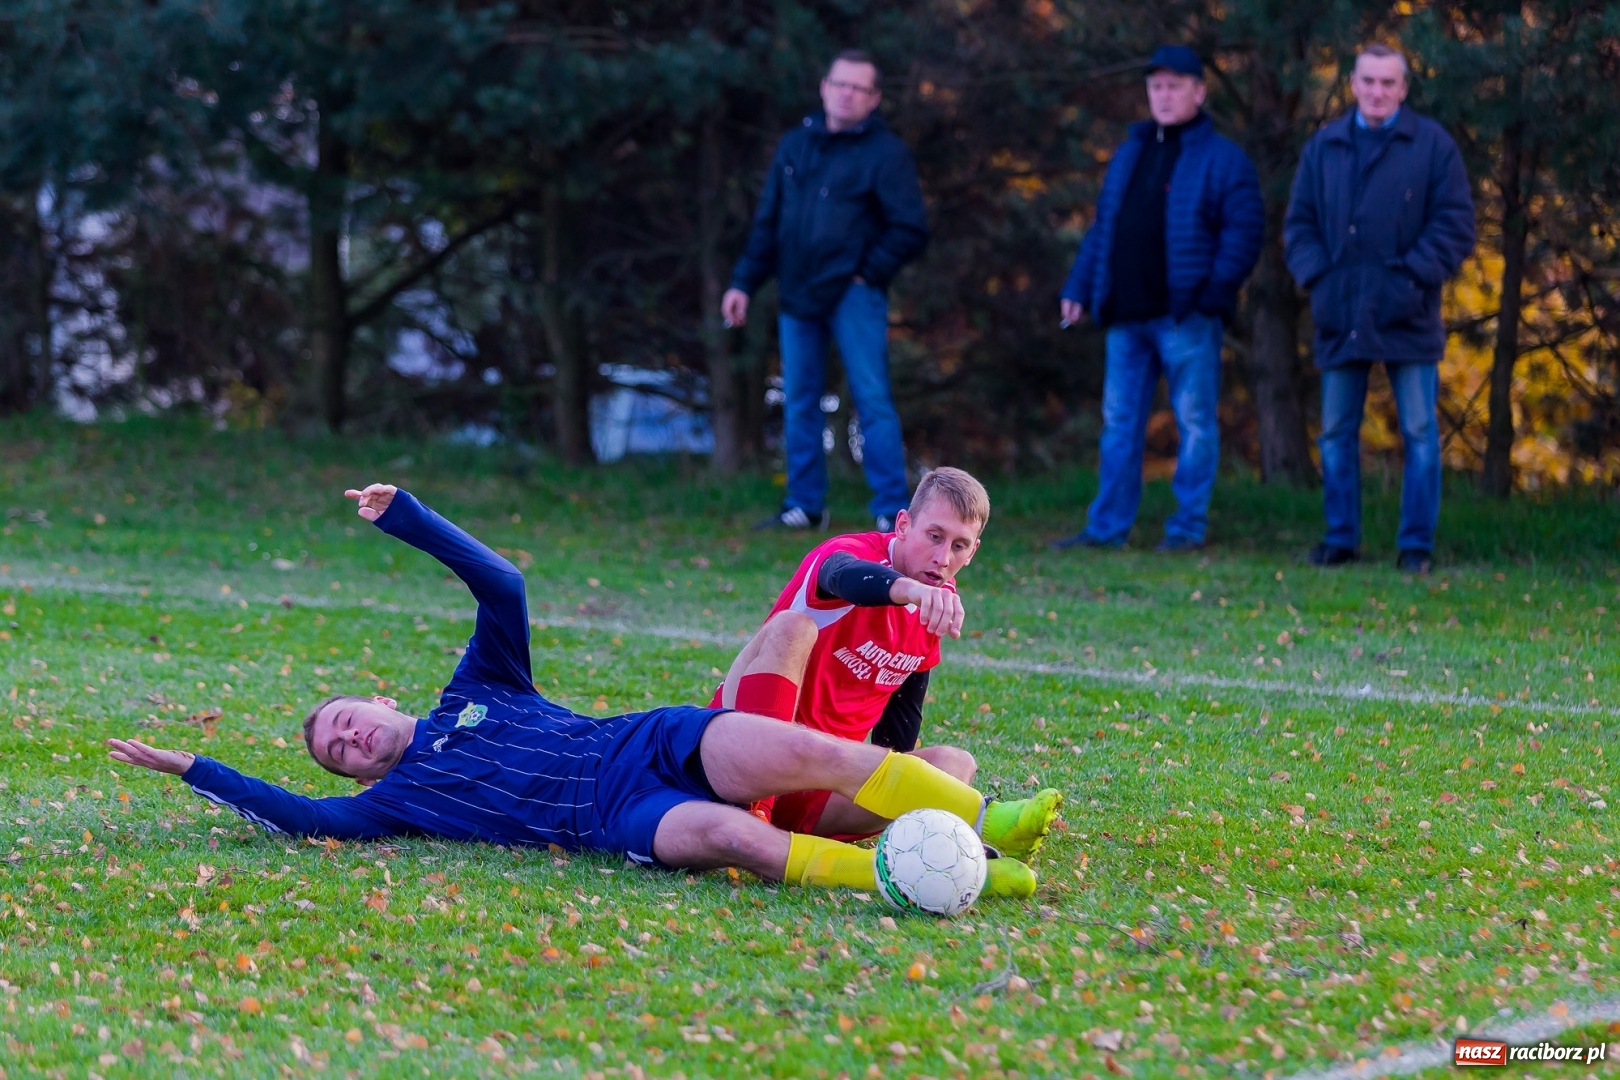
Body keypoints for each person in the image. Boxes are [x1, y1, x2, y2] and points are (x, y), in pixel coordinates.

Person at [107, 483, 1058, 899]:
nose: (350, 741)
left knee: (802, 748)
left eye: (348, 721)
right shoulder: (396, 805)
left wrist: (409, 519)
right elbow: (298, 816)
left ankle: (983, 820)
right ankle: (908, 877)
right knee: (728, 838)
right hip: (618, 816)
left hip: (646, 745)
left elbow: (504, 587)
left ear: (381, 698)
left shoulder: (476, 686)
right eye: (336, 750)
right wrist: (196, 767)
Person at [710, 468, 1055, 892]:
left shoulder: (933, 612)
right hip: (737, 761)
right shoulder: (848, 554)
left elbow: (897, 739)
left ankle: (951, 854)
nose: (943, 557)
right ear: (904, 525)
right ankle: (751, 815)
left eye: (959, 545)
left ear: (973, 552)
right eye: (934, 536)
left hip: (821, 787)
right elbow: (844, 576)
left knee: (955, 764)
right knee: (791, 628)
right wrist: (910, 591)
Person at [1052, 45, 1264, 554]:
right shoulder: (1131, 151)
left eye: (1175, 86)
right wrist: (1079, 288)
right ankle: (1107, 529)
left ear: (1199, 91)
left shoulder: (1223, 158)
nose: (1164, 96)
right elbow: (1104, 226)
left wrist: (1212, 294)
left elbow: (1244, 232)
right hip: (1125, 315)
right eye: (1156, 86)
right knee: (1119, 425)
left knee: (1194, 424)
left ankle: (1187, 528)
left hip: (1185, 317)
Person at [1285, 43, 1475, 574]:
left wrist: (1410, 278)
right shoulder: (1324, 147)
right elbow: (1299, 226)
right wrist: (1319, 280)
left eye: (1388, 83)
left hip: (1409, 313)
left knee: (1418, 432)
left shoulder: (1433, 146)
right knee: (1337, 432)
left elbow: (1455, 225)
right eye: (1368, 81)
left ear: (1404, 89)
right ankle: (1340, 539)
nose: (1377, 91)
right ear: (1352, 84)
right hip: (1338, 312)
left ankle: (1416, 546)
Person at [722, 50, 929, 534]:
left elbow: (910, 228)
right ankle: (805, 506)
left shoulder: (886, 153)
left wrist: (867, 273)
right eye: (840, 84)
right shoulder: (795, 146)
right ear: (823, 86)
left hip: (855, 295)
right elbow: (768, 222)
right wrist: (743, 282)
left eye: (858, 88)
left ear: (874, 98)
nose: (846, 94)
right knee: (799, 399)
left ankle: (891, 513)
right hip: (796, 293)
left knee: (872, 398)